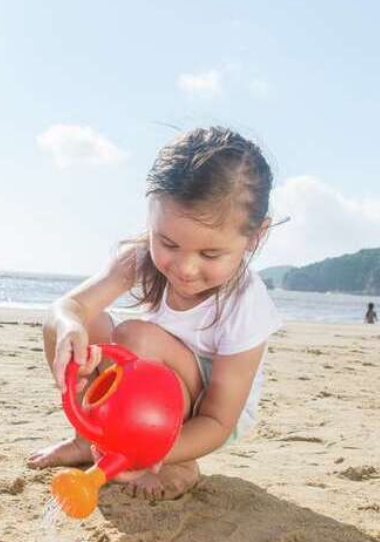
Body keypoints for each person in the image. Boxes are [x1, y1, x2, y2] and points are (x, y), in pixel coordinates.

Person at [27, 126, 282, 501]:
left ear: (254, 238)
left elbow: (218, 419)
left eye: (210, 255)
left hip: (206, 417)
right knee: (81, 322)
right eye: (167, 242)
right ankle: (89, 439)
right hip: (148, 395)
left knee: (136, 337)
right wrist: (67, 327)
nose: (184, 268)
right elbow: (68, 308)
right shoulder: (140, 257)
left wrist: (153, 451)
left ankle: (177, 462)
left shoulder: (247, 304)